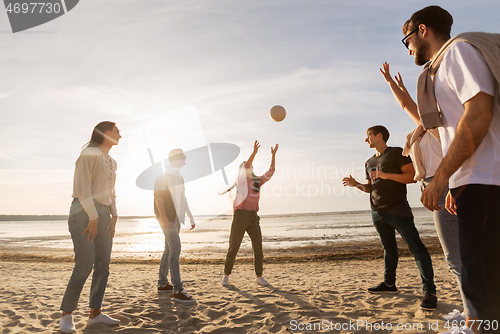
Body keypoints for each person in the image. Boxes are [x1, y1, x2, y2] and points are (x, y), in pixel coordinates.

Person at [402, 5, 500, 332]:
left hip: (488, 181)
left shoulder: (458, 52)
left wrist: (441, 179)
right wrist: (456, 183)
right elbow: (453, 129)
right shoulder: (439, 69)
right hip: (474, 183)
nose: (408, 47)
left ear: (423, 30)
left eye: (407, 39)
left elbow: (479, 114)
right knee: (480, 276)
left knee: (480, 282)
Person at [379, 63, 478, 329]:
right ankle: (474, 311)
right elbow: (408, 106)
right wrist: (393, 84)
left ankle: (475, 319)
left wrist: (393, 85)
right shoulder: (421, 131)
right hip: (437, 185)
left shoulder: (438, 128)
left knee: (456, 257)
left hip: (444, 185)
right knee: (462, 254)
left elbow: (411, 108)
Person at [342, 125, 437, 310]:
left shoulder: (397, 153)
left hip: (398, 209)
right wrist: (357, 185)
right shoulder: (369, 162)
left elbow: (412, 176)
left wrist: (386, 175)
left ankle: (430, 291)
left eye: (368, 135)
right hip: (377, 212)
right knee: (388, 248)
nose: (366, 139)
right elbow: (371, 188)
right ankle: (389, 284)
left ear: (379, 136)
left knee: (416, 248)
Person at [59, 121, 122, 333]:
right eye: (117, 131)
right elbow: (82, 188)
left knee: (103, 266)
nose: (120, 136)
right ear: (106, 133)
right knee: (84, 265)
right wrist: (93, 217)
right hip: (83, 214)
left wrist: (114, 214)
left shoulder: (112, 161)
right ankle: (66, 315)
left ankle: (95, 314)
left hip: (104, 215)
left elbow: (111, 192)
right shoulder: (89, 154)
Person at [220, 140, 278, 287]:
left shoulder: (258, 181)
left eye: (251, 166)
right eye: (247, 166)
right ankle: (226, 275)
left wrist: (273, 155)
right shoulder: (241, 180)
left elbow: (271, 171)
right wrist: (254, 152)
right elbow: (246, 165)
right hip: (240, 216)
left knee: (258, 247)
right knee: (233, 247)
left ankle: (259, 276)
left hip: (253, 218)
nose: (250, 167)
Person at [154, 148, 196, 303]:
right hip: (167, 218)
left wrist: (190, 217)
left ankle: (163, 284)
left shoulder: (180, 177)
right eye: (182, 156)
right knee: (175, 249)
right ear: (175, 159)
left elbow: (183, 199)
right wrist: (163, 217)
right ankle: (178, 289)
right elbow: (158, 198)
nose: (185, 159)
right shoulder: (162, 176)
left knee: (168, 249)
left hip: (177, 218)